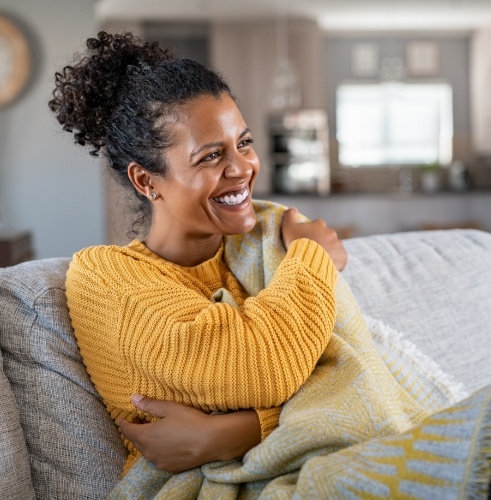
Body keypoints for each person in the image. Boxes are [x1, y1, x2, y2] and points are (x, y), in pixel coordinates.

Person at [49, 31, 348, 475]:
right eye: (211, 156)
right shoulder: (103, 277)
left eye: (244, 143)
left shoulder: (266, 238)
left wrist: (230, 433)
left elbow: (350, 367)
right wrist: (311, 255)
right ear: (147, 181)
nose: (242, 168)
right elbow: (265, 364)